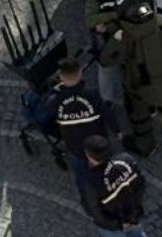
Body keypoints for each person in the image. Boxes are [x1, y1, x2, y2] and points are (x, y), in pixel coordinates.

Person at [103, 0, 162, 157]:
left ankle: (146, 146)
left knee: (139, 118)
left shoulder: (122, 36)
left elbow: (107, 59)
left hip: (138, 86)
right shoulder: (161, 22)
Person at [81, 135, 161, 237]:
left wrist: (118, 225)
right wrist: (134, 212)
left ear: (89, 155)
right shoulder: (126, 160)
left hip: (112, 224)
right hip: (132, 214)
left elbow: (95, 210)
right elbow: (141, 184)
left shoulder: (92, 181)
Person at [45, 57, 116, 202]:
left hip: (75, 147)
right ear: (79, 74)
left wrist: (55, 90)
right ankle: (111, 191)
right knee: (105, 170)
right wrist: (118, 131)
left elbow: (48, 113)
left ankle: (88, 200)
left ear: (61, 77)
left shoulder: (54, 101)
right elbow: (108, 114)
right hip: (98, 144)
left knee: (82, 177)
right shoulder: (92, 95)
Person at [84, 0, 134, 131]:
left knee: (131, 65)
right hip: (106, 39)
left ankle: (131, 95)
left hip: (125, 33)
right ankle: (107, 100)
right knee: (106, 69)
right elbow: (90, 20)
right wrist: (115, 14)